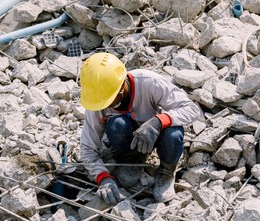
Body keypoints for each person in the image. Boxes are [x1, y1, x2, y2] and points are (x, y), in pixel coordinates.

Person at [79, 52, 200, 205]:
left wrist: (158, 121)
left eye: (109, 99)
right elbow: (87, 148)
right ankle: (134, 160)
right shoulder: (97, 101)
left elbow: (191, 109)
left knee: (174, 134)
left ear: (122, 85)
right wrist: (102, 177)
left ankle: (166, 171)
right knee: (116, 126)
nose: (106, 106)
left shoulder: (148, 82)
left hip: (157, 135)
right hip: (128, 138)